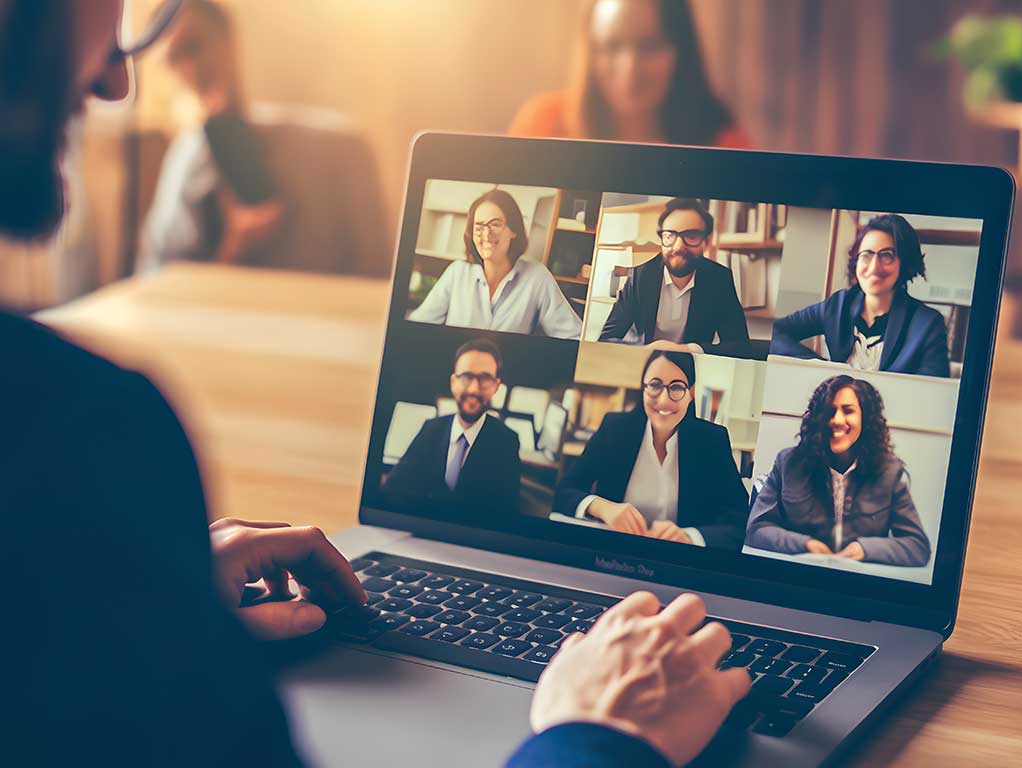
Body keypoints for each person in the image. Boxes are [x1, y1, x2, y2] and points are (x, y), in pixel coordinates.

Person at [1, 2, 748, 765]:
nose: (119, 79)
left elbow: (735, 515)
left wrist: (157, 600)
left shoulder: (66, 475)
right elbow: (567, 459)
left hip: (699, 594)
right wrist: (596, 741)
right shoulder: (82, 447)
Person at [137, 0, 287, 272]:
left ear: (228, 40)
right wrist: (235, 250)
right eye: (174, 59)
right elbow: (155, 272)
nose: (191, 69)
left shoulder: (322, 150)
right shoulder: (183, 158)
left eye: (195, 46)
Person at [554, 351, 749, 549]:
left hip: (677, 560)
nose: (663, 400)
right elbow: (564, 491)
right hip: (612, 550)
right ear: (643, 388)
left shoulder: (712, 440)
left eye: (677, 387)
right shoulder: (615, 428)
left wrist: (690, 537)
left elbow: (741, 520)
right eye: (655, 385)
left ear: (690, 393)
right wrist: (602, 507)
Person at [509, 0, 749, 148]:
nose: (630, 69)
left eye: (650, 45)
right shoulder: (543, 122)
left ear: (682, 51)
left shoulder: (721, 137)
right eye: (611, 46)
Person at [745, 375, 931, 567]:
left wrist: (865, 549)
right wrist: (806, 544)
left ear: (865, 418)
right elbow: (756, 529)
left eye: (848, 410)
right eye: (830, 411)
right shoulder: (788, 463)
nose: (837, 420)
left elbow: (917, 546)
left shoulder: (890, 471)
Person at [771, 214, 951, 378]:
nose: (874, 267)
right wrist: (823, 368)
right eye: (866, 255)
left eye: (886, 255)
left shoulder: (928, 323)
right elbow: (777, 332)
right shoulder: (838, 305)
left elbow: (931, 390)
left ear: (904, 262)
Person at [408, 189, 583, 339]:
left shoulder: (537, 278)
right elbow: (417, 326)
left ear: (513, 230)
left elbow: (573, 336)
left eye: (495, 224)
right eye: (479, 226)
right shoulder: (457, 273)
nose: (486, 233)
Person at [382, 338, 522, 518]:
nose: (474, 389)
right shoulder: (431, 429)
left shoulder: (506, 442)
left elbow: (505, 515)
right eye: (466, 377)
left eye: (485, 379)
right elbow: (392, 492)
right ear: (453, 382)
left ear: (496, 386)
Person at [599, 197, 754, 358]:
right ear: (661, 239)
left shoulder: (719, 279)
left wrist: (690, 349)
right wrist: (647, 349)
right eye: (669, 236)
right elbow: (605, 340)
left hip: (690, 367)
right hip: (644, 365)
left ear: (706, 242)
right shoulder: (640, 275)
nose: (678, 246)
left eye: (691, 236)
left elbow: (740, 348)